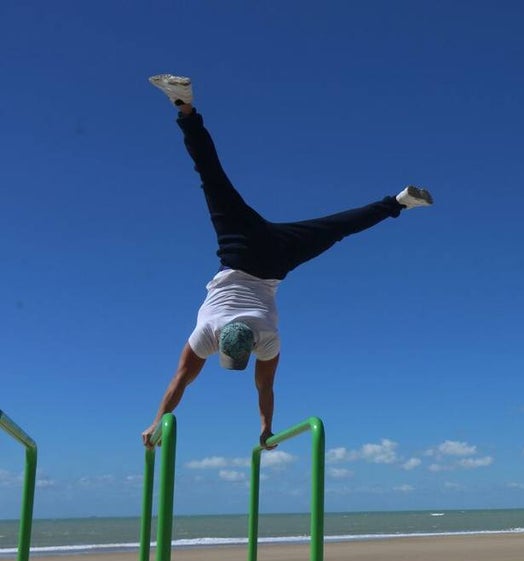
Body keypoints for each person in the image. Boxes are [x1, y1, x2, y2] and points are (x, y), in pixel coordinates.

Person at [141, 75, 432, 448]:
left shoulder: (265, 338)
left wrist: (158, 423)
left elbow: (238, 384)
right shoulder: (211, 333)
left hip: (275, 260)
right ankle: (185, 108)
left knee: (336, 228)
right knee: (212, 180)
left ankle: (400, 202)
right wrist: (264, 427)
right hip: (243, 248)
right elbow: (192, 379)